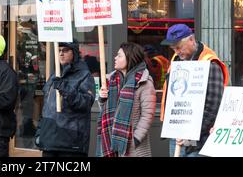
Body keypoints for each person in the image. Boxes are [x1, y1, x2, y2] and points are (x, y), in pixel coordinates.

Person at [159, 24, 229, 157]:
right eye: (173, 48)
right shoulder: (177, 61)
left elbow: (212, 108)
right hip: (177, 136)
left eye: (179, 47)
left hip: (199, 141)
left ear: (191, 40)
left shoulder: (210, 64)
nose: (176, 52)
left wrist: (189, 134)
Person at [35, 40, 95, 157]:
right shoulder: (54, 75)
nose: (61, 54)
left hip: (70, 143)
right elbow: (46, 107)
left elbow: (85, 103)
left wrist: (65, 88)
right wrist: (40, 133)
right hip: (49, 140)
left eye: (65, 50)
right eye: (58, 50)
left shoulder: (84, 75)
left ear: (74, 53)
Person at [96, 42, 156, 157]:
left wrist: (136, 139)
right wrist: (102, 99)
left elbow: (147, 115)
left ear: (130, 58)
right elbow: (104, 111)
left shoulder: (144, 82)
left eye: (119, 55)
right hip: (111, 140)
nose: (115, 58)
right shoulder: (111, 80)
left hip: (132, 146)